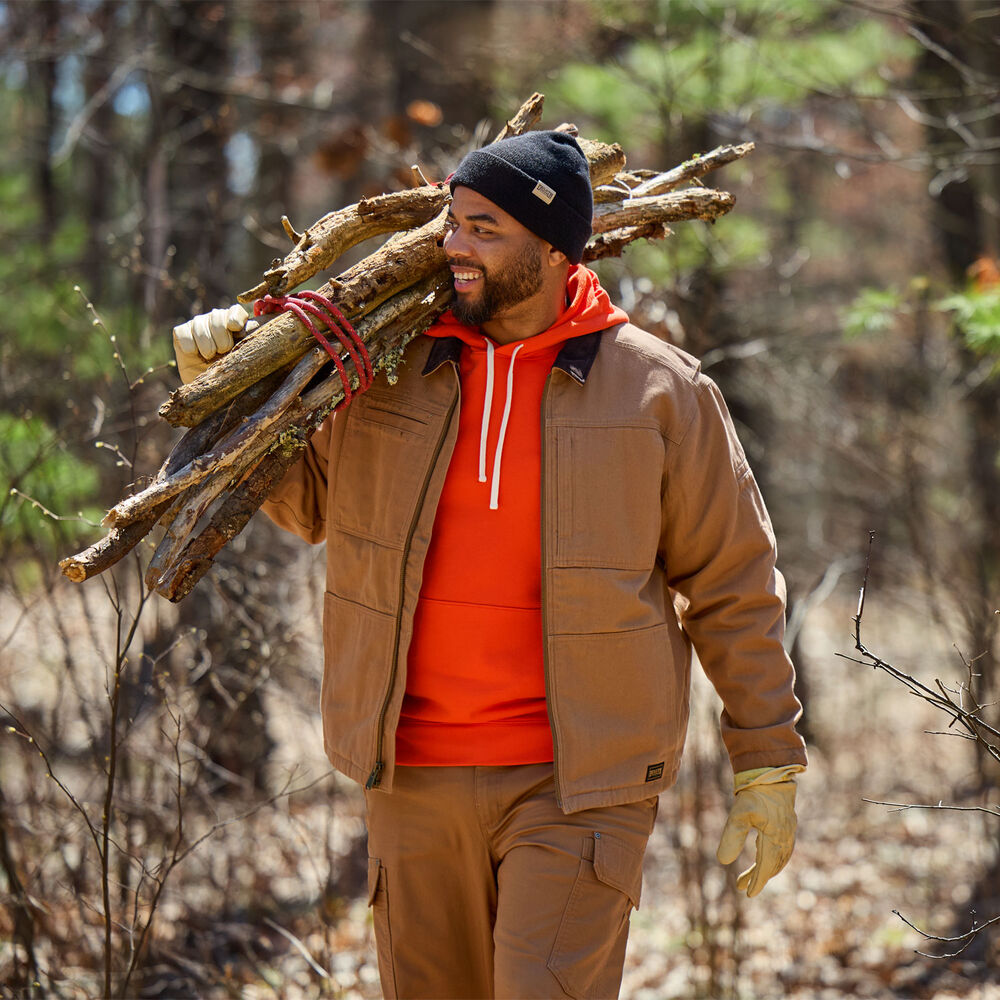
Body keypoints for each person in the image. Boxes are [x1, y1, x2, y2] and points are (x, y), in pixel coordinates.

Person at [173, 130, 807, 1000]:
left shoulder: (659, 391)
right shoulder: (386, 371)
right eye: (451, 223)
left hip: (579, 784)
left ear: (551, 250)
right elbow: (312, 507)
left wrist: (766, 757)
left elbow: (732, 580)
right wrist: (239, 390)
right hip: (411, 773)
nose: (453, 247)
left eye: (483, 228)